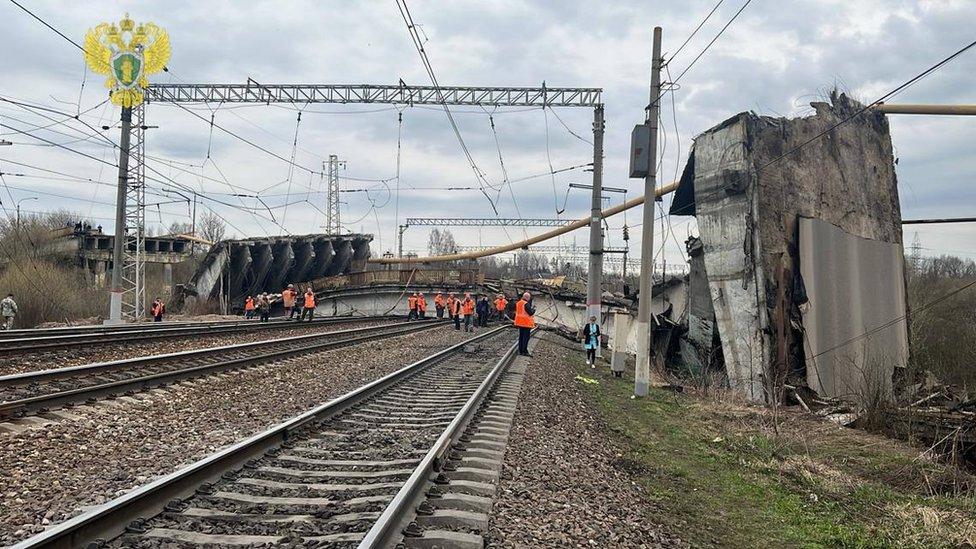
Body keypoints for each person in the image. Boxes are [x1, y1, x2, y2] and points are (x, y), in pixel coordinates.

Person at [514, 291, 535, 356]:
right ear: (527, 298)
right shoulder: (526, 304)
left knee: (521, 337)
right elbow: (530, 313)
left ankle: (520, 351)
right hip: (526, 323)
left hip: (520, 323)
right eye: (529, 298)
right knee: (526, 338)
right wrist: (534, 309)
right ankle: (524, 351)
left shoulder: (518, 303)